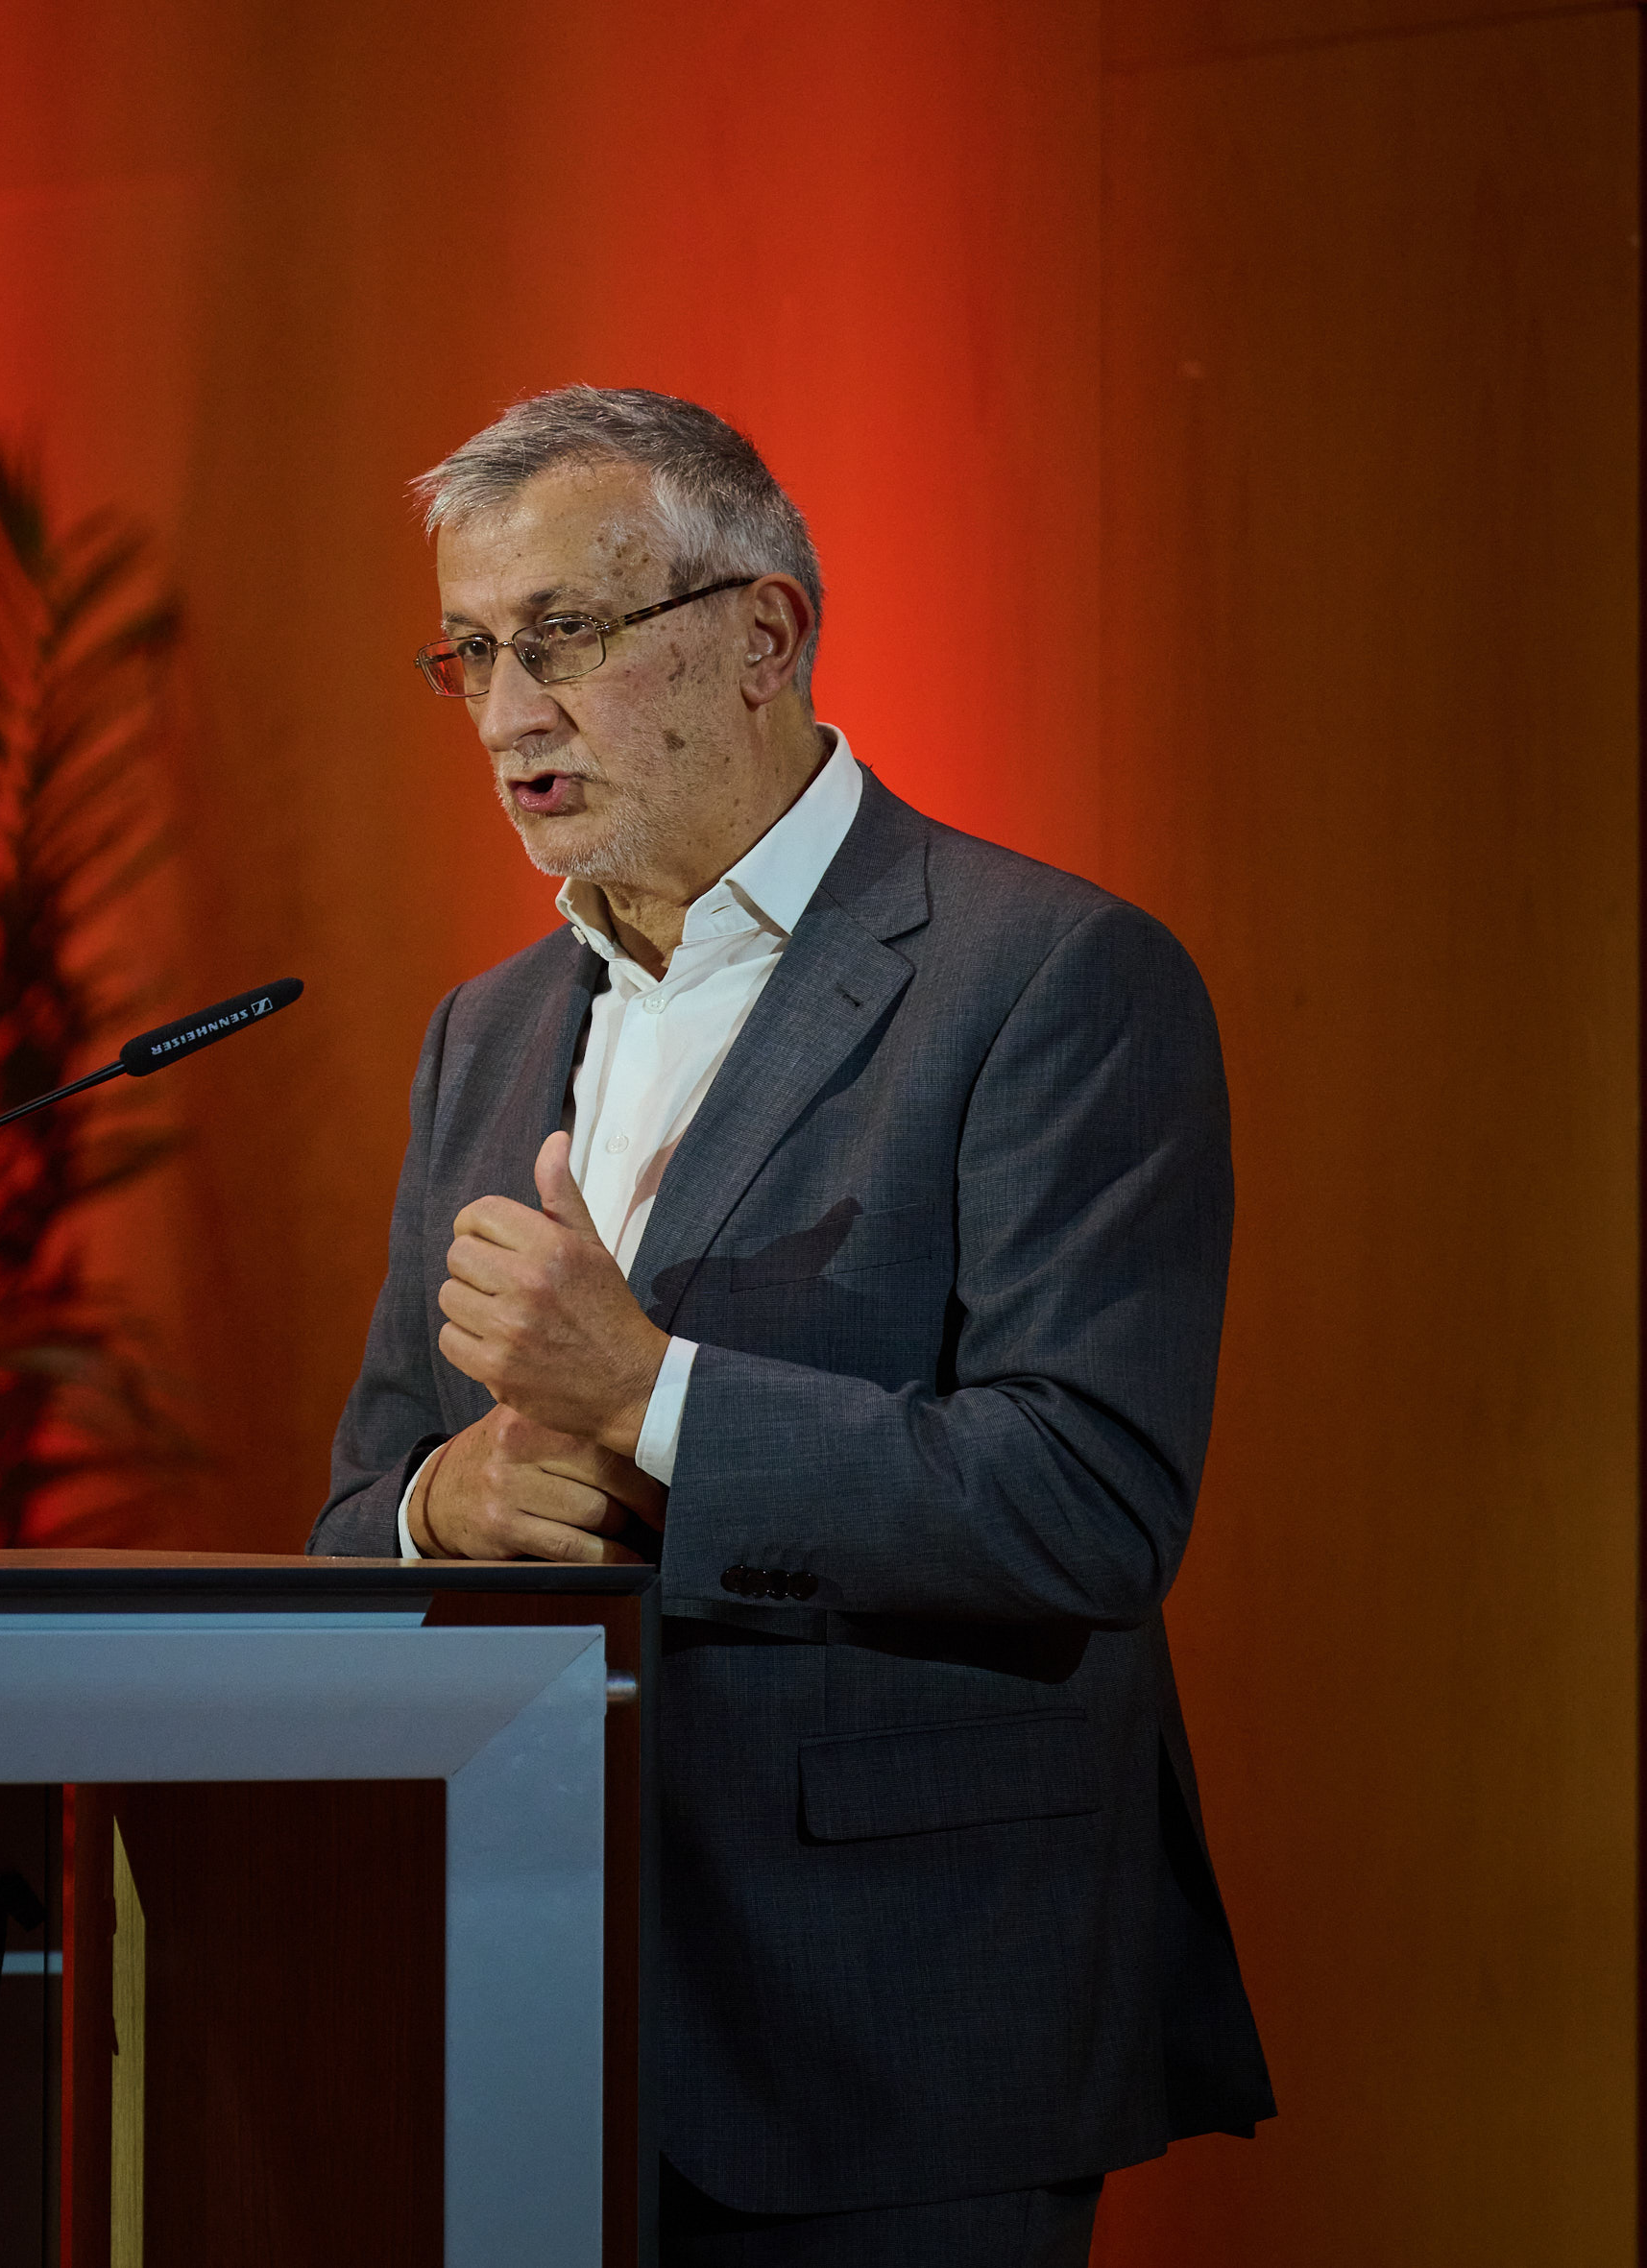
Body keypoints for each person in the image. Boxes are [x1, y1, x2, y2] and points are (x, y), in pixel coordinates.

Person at [310, 386, 1273, 2265]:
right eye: (471, 653)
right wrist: (445, 1505)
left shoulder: (1046, 977)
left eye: (563, 635)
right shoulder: (483, 1032)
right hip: (517, 2010)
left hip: (888, 2029)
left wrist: (648, 1395)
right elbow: (360, 1504)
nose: (507, 714)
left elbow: (1088, 1501)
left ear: (761, 635)